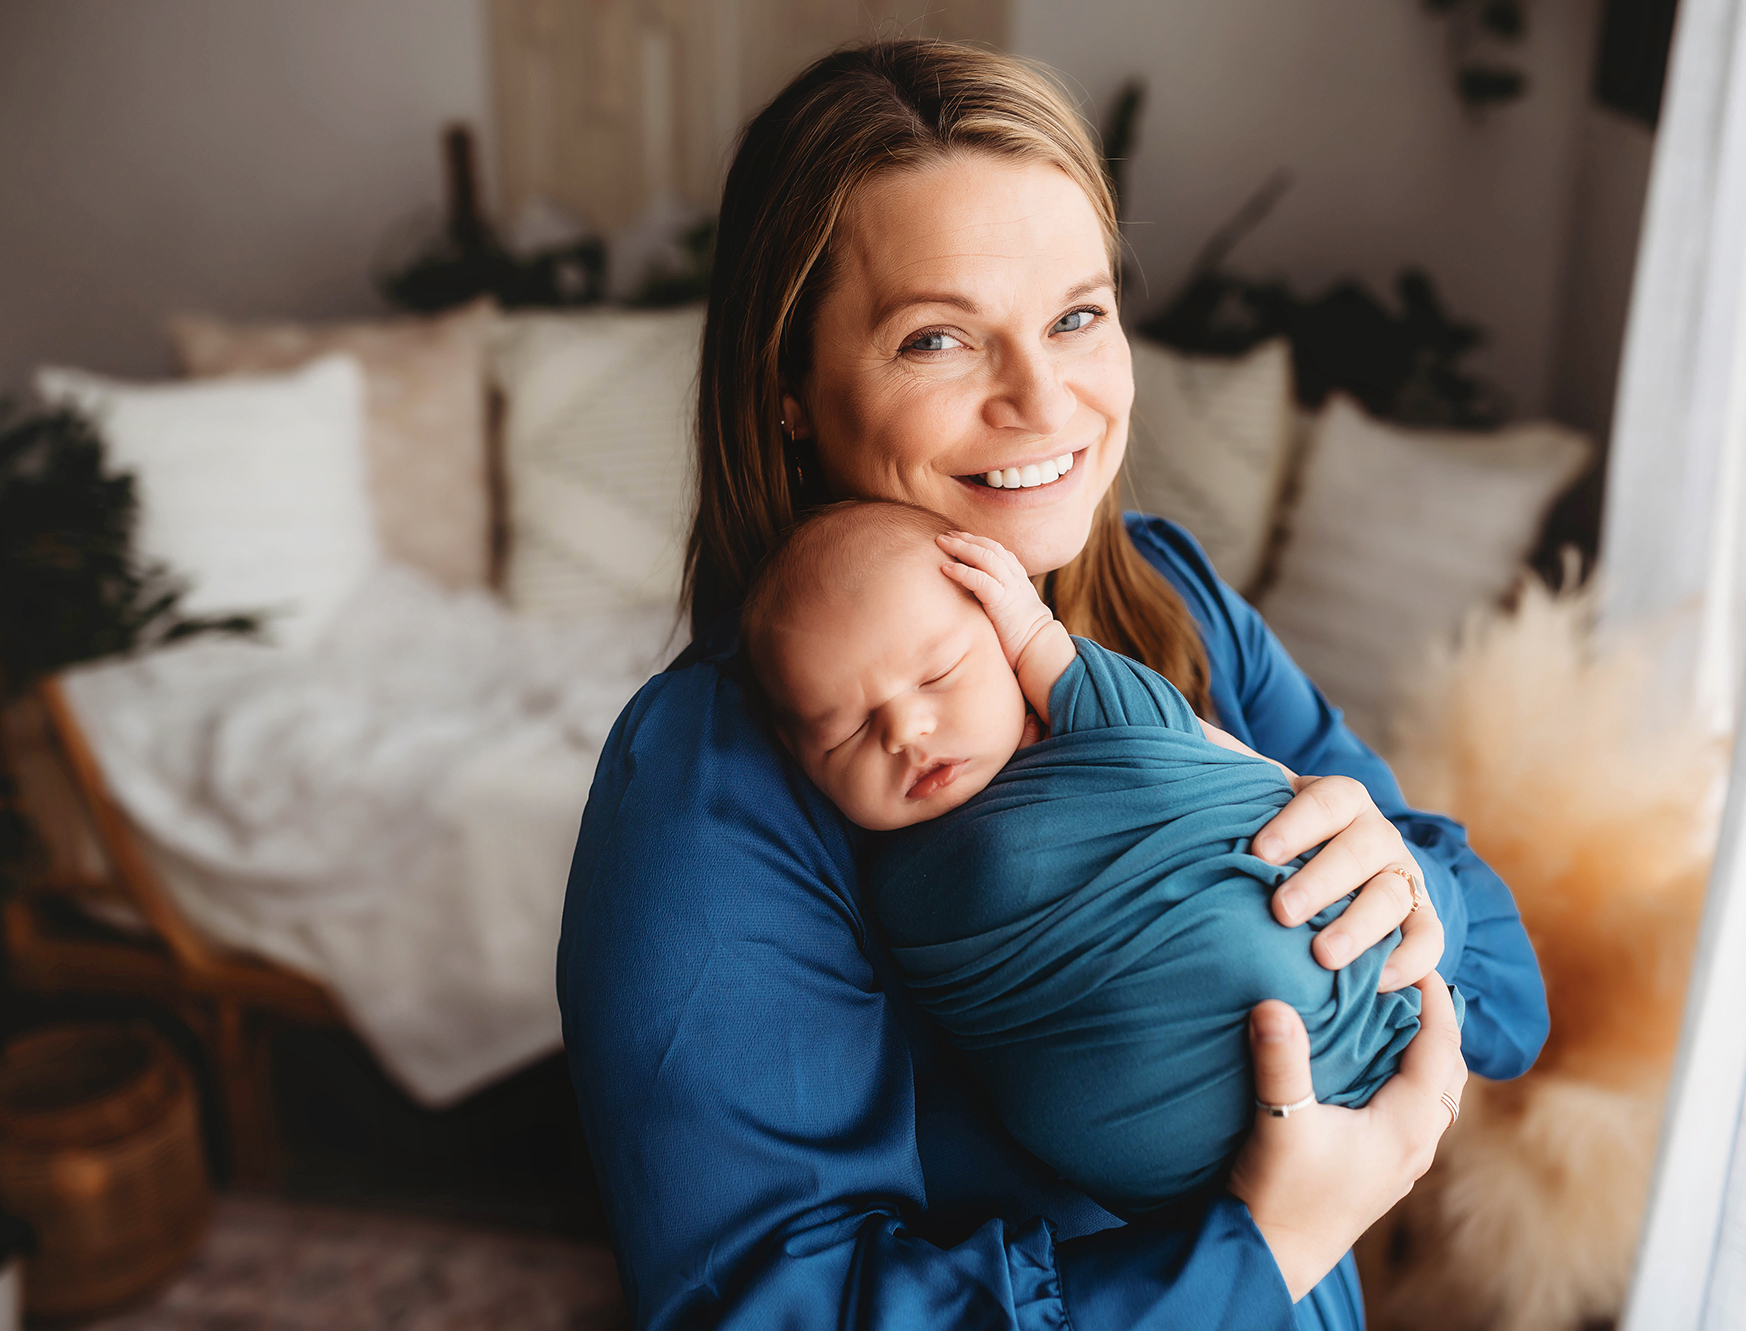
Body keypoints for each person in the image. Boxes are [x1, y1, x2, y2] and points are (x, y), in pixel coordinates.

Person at [558, 38, 1548, 1329]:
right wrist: (1261, 1242)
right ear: (788, 386)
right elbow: (769, 1307)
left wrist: (1407, 893)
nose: (1044, 401)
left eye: (1077, 316)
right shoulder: (715, 781)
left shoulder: (1176, 609)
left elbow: (1513, 1000)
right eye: (938, 339)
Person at [740, 500, 1462, 1212]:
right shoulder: (830, 858)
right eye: (844, 730)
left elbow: (1507, 975)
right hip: (1177, 1205)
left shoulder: (1099, 709)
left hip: (1349, 1018)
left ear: (1004, 637)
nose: (904, 729)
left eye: (939, 674)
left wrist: (1037, 637)